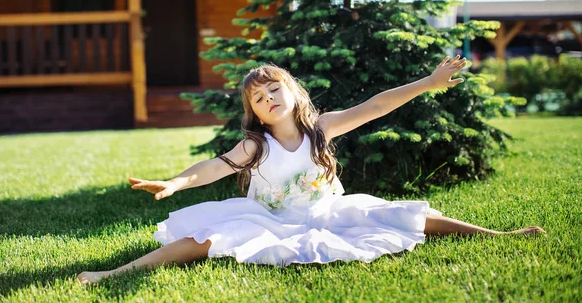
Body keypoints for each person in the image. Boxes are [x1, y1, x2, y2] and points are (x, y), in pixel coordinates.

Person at [77, 55, 545, 285]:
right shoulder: (255, 144)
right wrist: (177, 181)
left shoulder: (322, 126)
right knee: (204, 240)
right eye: (258, 98)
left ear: (294, 93)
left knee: (407, 214)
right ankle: (115, 273)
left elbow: (377, 105)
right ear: (257, 114)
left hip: (325, 212)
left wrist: (429, 81)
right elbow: (213, 168)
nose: (268, 99)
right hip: (269, 219)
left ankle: (499, 237)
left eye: (275, 89)